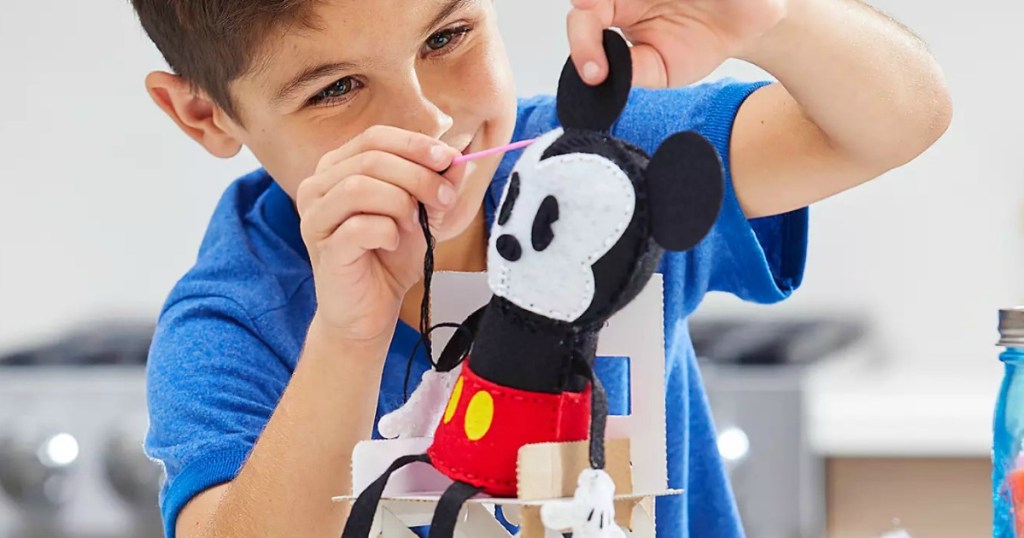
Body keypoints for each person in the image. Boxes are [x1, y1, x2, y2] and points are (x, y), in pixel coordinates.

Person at [132, 0, 951, 536]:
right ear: (201, 112)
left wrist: (765, 17)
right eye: (338, 87)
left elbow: (895, 122)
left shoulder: (594, 165)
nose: (429, 116)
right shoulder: (231, 320)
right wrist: (350, 334)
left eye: (447, 37)